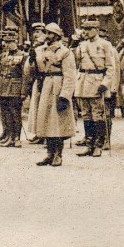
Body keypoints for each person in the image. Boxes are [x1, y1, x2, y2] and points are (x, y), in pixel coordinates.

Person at [32, 23, 77, 167]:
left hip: (58, 85)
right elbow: (37, 70)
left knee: (57, 122)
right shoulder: (40, 50)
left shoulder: (65, 52)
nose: (46, 36)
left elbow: (70, 76)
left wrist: (65, 95)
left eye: (49, 33)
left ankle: (58, 154)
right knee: (46, 120)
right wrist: (32, 59)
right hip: (46, 84)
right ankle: (49, 154)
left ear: (56, 36)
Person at [74, 19, 117, 158]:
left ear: (96, 30)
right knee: (86, 114)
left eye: (89, 29)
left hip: (97, 81)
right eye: (84, 29)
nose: (85, 32)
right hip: (83, 80)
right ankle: (89, 144)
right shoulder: (81, 45)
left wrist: (106, 83)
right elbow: (76, 62)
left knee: (97, 114)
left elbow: (111, 67)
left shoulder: (105, 44)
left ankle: (99, 144)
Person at [0, 26, 26, 147]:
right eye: (6, 42)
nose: (7, 44)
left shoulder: (23, 55)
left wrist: (23, 91)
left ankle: (16, 138)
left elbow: (25, 75)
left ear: (16, 41)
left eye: (10, 42)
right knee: (6, 112)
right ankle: (9, 136)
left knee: (15, 113)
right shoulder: (3, 55)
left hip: (15, 88)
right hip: (3, 86)